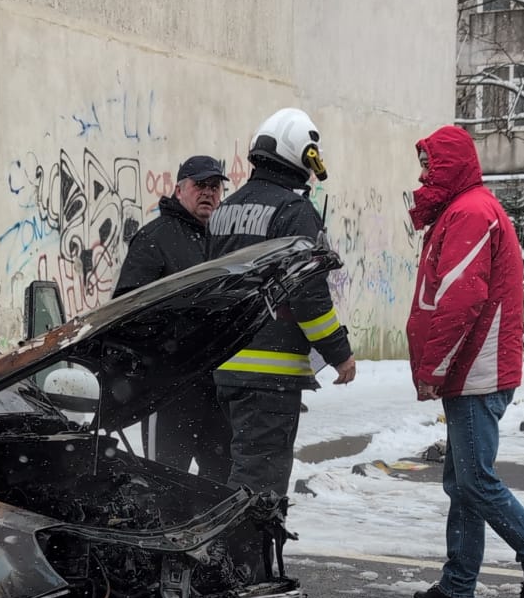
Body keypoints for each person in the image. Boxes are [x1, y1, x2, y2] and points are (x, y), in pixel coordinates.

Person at [404, 124, 524, 598]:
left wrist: (434, 363)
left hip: (477, 371)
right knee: (463, 482)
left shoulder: (471, 213)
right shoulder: (464, 210)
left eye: (429, 165)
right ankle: (458, 587)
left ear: (449, 165)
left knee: (474, 481)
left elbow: (461, 297)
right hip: (471, 369)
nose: (422, 174)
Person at [207, 107, 357, 500]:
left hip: (226, 369)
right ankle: (246, 560)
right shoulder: (294, 212)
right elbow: (308, 293)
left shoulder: (225, 210)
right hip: (268, 377)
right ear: (301, 155)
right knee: (259, 491)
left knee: (234, 476)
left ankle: (231, 555)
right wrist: (338, 352)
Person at [115, 154, 232, 480]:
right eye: (200, 185)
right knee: (164, 481)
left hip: (218, 390)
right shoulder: (155, 238)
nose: (208, 192)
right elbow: (126, 309)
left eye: (215, 186)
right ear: (179, 189)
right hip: (169, 390)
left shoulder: (223, 242)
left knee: (223, 482)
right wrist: (169, 342)